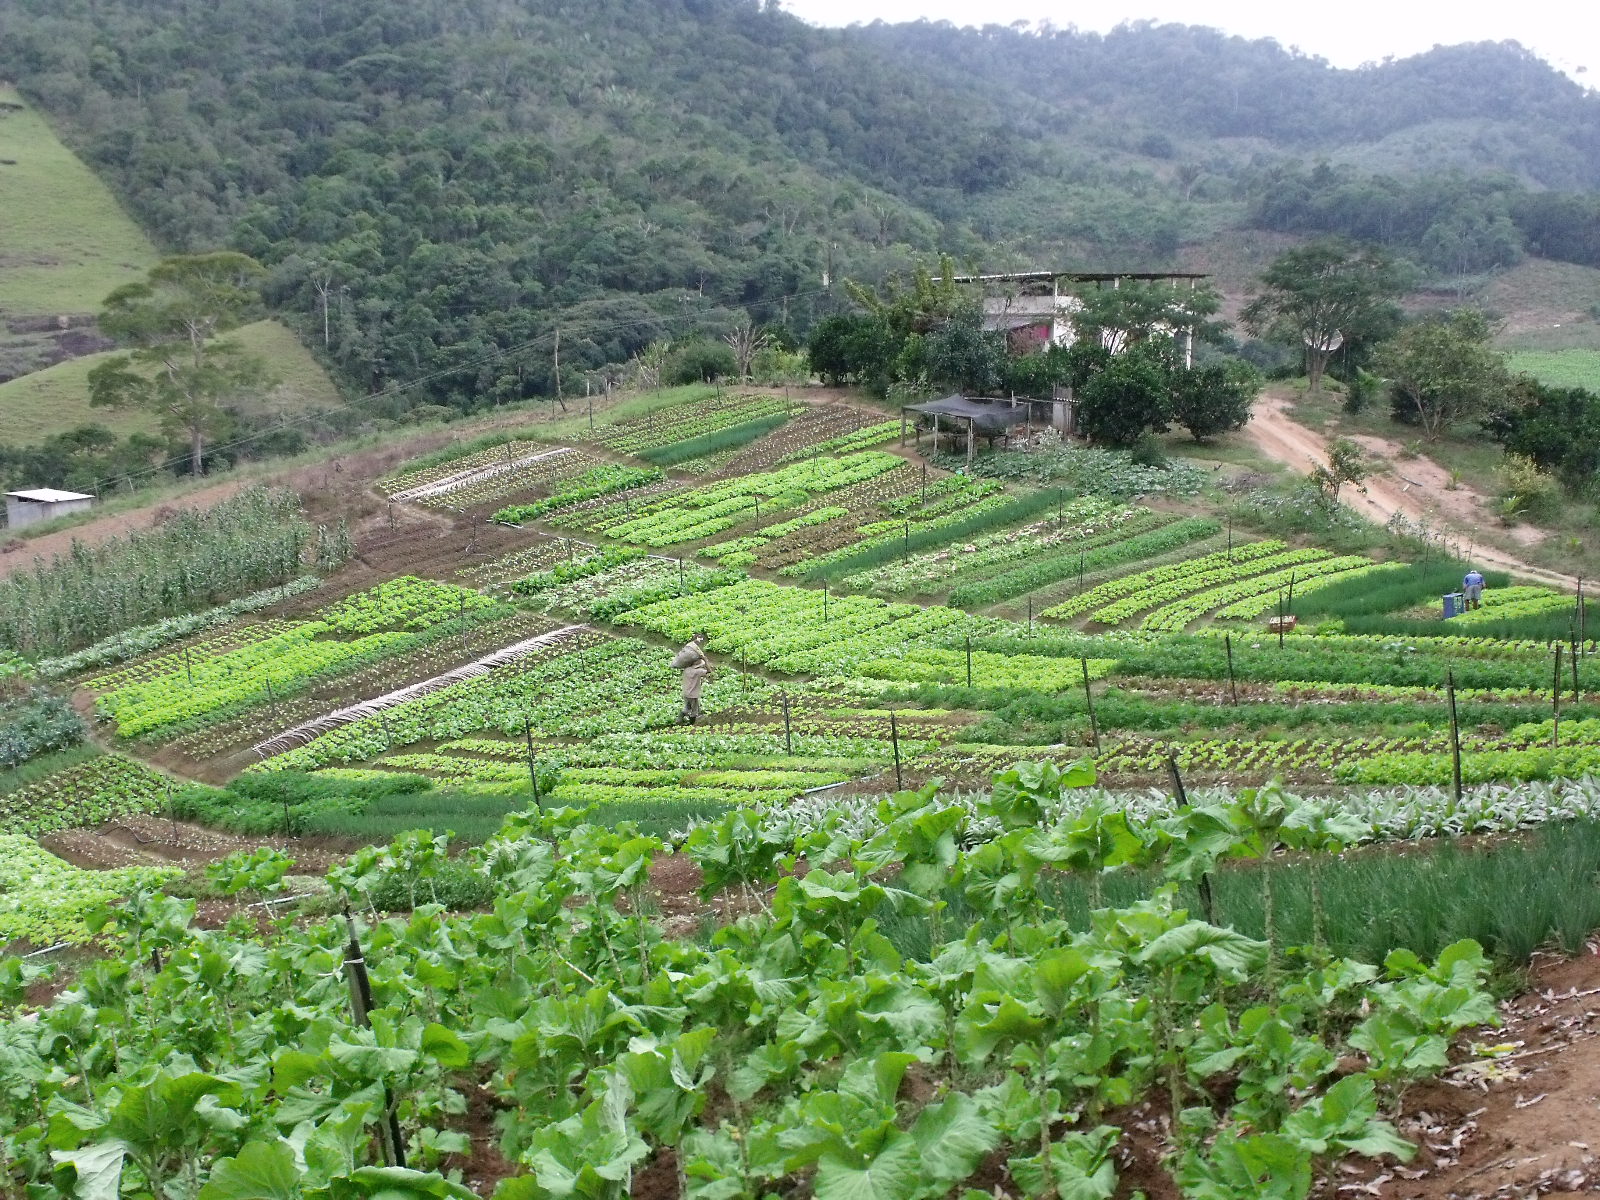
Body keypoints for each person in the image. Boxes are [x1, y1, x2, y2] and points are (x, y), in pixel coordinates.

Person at [671, 631, 712, 724]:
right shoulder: (697, 672)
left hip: (686, 692)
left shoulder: (687, 669)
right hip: (693, 694)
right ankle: (692, 724)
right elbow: (709, 671)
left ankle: (680, 718)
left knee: (687, 707)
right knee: (694, 710)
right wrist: (704, 659)